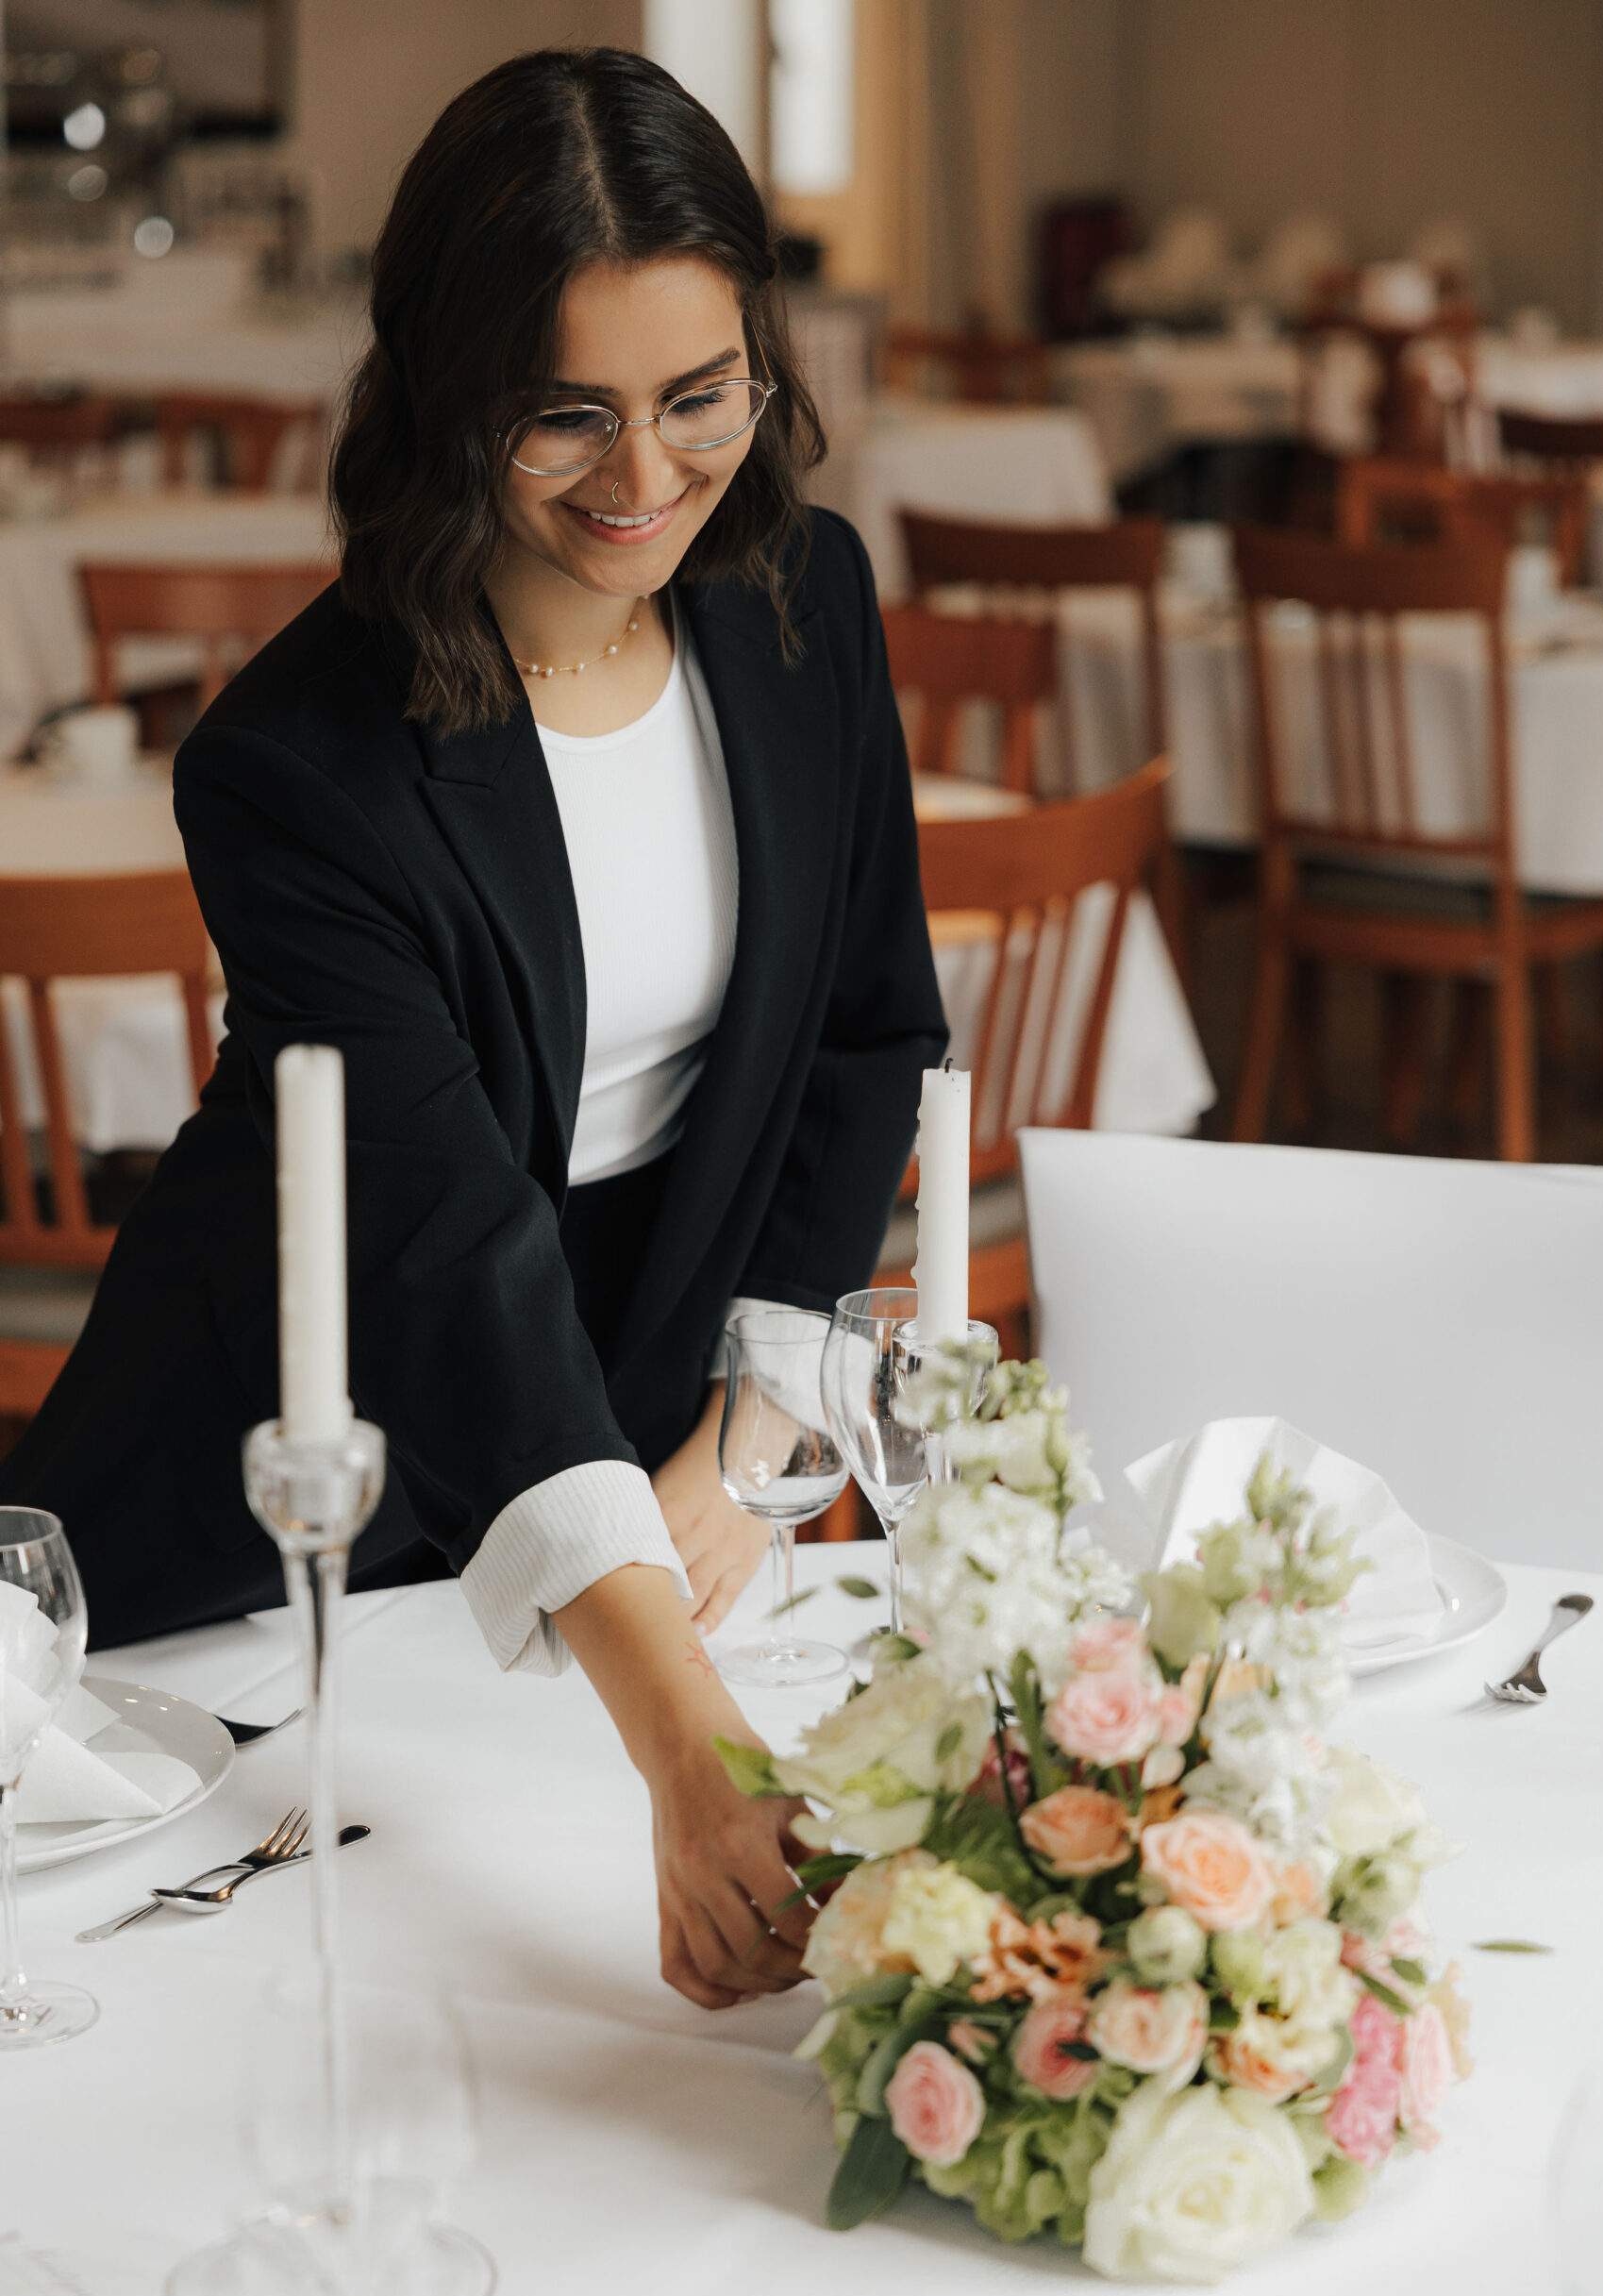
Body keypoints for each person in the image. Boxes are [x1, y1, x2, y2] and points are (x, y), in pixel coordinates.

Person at [1, 48, 943, 2010]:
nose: (641, 480)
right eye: (561, 419)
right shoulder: (298, 764)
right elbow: (441, 1242)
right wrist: (687, 1752)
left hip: (633, 1447)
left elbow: (862, 1035)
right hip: (291, 1478)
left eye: (701, 399)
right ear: (444, 400)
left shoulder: (801, 605)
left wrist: (737, 1431)